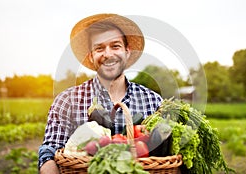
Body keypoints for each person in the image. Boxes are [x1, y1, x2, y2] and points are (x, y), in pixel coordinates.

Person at [38, 13, 163, 174]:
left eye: (115, 46)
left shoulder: (153, 101)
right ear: (91, 56)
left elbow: (169, 155)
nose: (108, 54)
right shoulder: (66, 101)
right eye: (99, 48)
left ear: (127, 52)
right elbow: (49, 151)